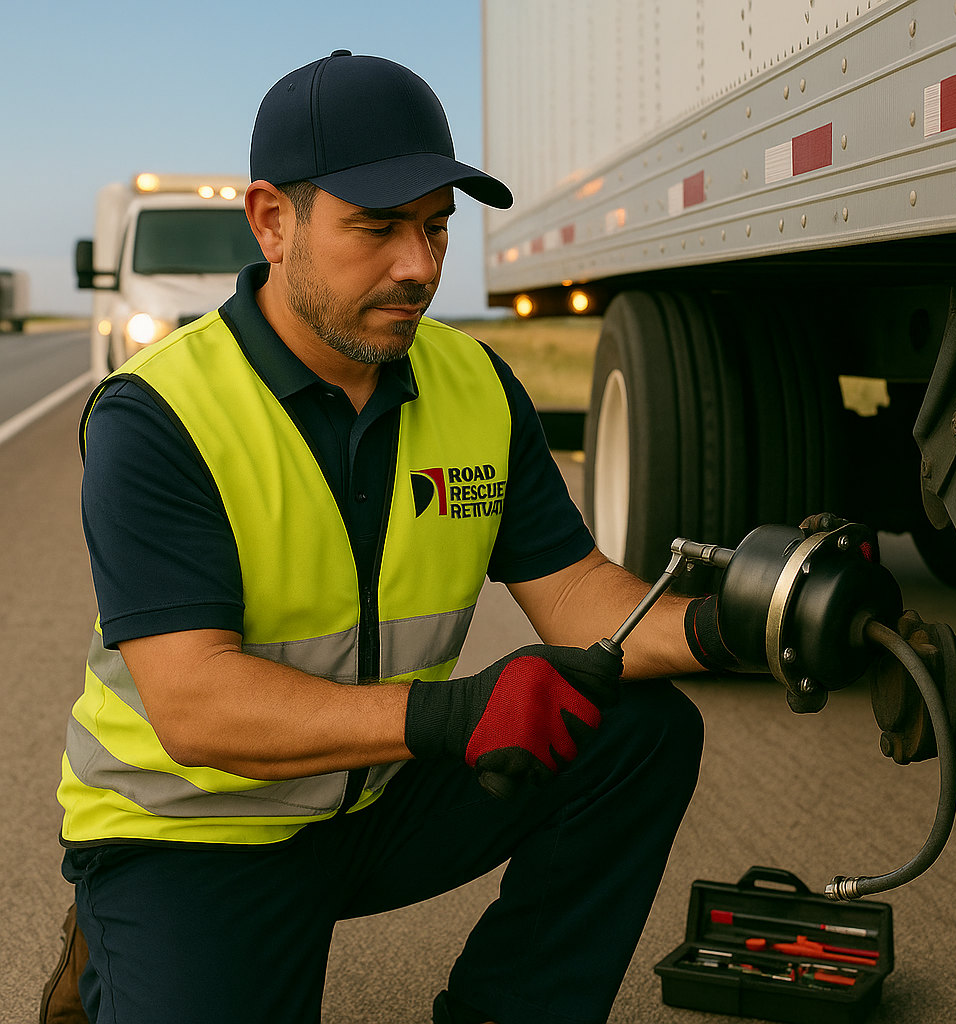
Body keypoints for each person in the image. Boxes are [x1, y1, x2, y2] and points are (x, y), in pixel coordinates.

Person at [44, 51, 733, 1024]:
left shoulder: (474, 385)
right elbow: (196, 705)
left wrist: (729, 625)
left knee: (638, 732)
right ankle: (118, 933)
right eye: (377, 228)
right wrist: (453, 715)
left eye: (436, 227)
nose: (419, 264)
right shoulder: (160, 415)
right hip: (194, 829)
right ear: (272, 221)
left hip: (371, 802)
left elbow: (575, 592)